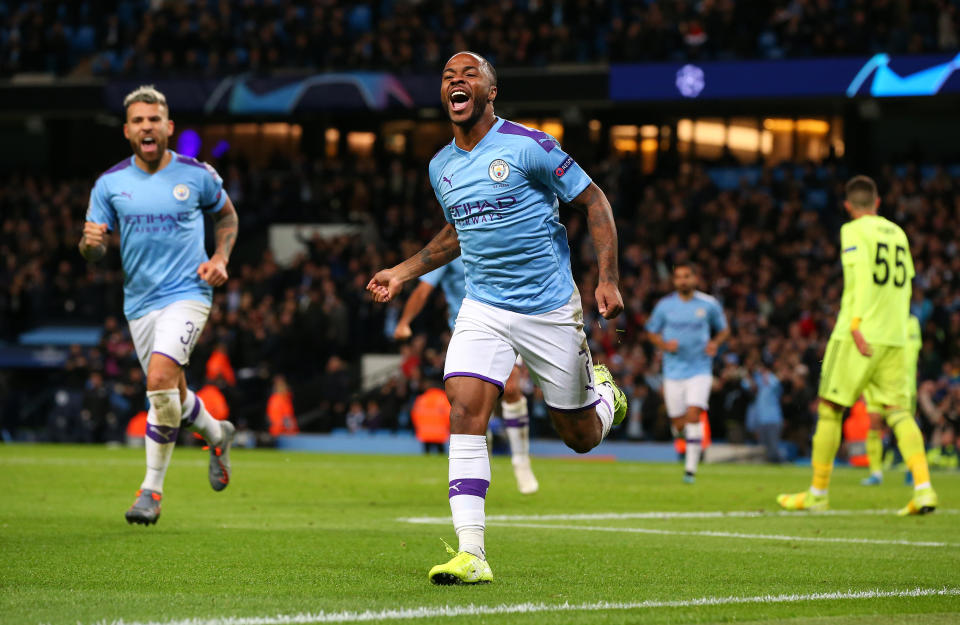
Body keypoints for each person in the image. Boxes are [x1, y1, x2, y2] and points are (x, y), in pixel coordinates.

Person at [367, 51, 627, 585]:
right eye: (447, 76)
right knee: (464, 408)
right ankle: (472, 553)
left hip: (550, 308)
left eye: (469, 75)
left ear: (491, 92)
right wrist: (402, 271)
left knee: (578, 435)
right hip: (484, 306)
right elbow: (457, 233)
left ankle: (605, 399)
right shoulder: (441, 166)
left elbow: (594, 201)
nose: (456, 82)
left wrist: (607, 278)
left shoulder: (529, 146)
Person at [80, 85, 239, 526]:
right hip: (139, 303)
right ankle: (216, 433)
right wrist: (90, 245)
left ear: (168, 127)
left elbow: (227, 216)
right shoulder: (110, 184)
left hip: (189, 293)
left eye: (154, 120)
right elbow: (92, 249)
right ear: (127, 131)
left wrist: (220, 258)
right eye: (138, 121)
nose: (147, 127)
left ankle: (151, 490)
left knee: (159, 380)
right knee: (171, 393)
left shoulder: (197, 174)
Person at [778, 176, 937, 515]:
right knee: (899, 412)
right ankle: (924, 490)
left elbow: (859, 277)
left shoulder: (853, 231)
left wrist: (855, 323)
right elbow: (907, 285)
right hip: (895, 336)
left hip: (859, 332)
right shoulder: (898, 233)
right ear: (878, 203)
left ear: (849, 206)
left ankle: (818, 493)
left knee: (830, 408)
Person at [394, 256, 539, 494]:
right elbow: (423, 289)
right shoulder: (448, 248)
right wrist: (404, 321)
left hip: (506, 319)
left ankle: (521, 461)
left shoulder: (492, 233)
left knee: (511, 388)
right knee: (475, 400)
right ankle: (484, 460)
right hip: (468, 329)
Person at [645, 262, 729, 483]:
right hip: (673, 372)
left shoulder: (708, 304)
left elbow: (724, 330)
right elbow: (651, 332)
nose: (683, 280)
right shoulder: (665, 306)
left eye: (686, 276)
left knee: (694, 415)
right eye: (679, 277)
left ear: (694, 279)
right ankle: (685, 440)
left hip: (699, 370)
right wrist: (663, 345)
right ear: (674, 281)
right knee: (679, 424)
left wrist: (715, 344)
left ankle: (690, 470)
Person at [861, 314, 922, 486]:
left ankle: (912, 470)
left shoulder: (910, 322)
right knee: (874, 423)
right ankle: (876, 473)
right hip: (875, 382)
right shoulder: (876, 320)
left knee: (903, 426)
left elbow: (910, 355)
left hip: (901, 383)